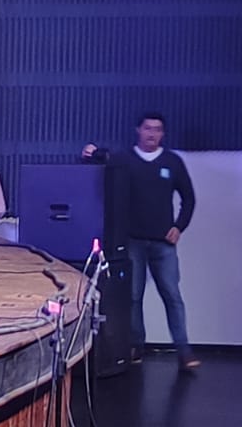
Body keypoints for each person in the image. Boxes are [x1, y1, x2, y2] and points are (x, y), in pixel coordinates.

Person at [83, 113, 198, 370]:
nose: (152, 134)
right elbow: (100, 163)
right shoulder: (124, 159)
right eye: (148, 128)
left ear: (163, 134)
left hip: (163, 243)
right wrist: (90, 153)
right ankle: (136, 346)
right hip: (132, 241)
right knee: (133, 297)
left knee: (172, 295)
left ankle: (184, 350)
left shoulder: (172, 162)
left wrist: (179, 226)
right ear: (138, 130)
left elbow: (189, 198)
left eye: (157, 129)